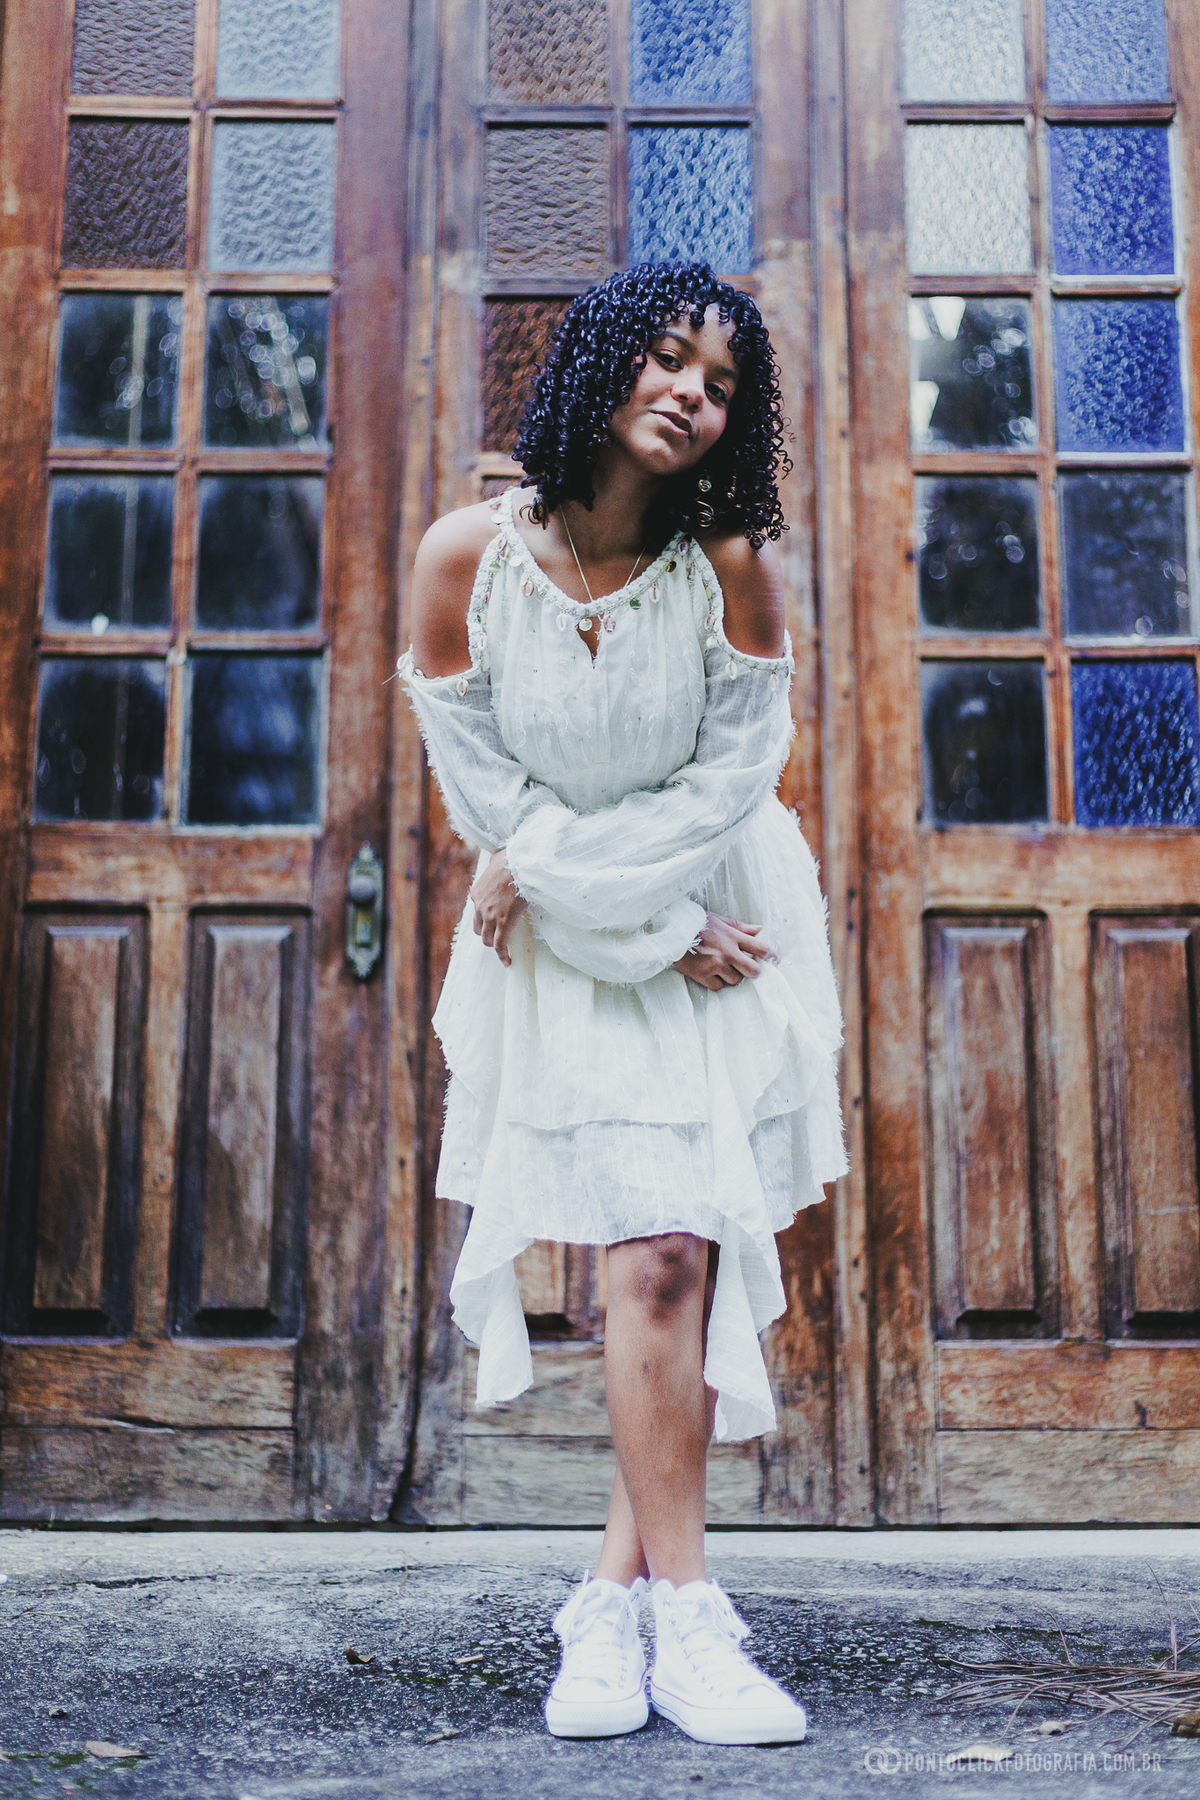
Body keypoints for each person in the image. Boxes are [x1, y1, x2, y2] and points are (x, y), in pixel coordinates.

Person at [400, 262, 845, 1747]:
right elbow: (483, 791)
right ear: (603, 362)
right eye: (665, 359)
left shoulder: (729, 568)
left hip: (721, 923)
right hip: (599, 942)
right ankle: (625, 1608)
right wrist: (641, 927)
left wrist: (618, 899)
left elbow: (733, 781)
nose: (690, 396)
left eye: (720, 385)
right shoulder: (464, 557)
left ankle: (666, 1618)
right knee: (649, 1260)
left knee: (666, 1257)